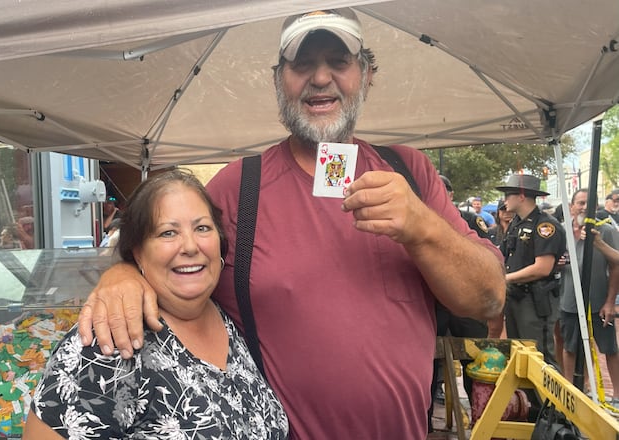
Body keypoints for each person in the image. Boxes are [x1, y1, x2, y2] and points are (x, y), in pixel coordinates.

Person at [77, 9, 506, 439]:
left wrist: (422, 228)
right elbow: (177, 263)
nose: (320, 78)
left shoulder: (410, 172)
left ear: (368, 73)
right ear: (279, 78)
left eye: (339, 61)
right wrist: (124, 275)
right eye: (302, 64)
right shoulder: (236, 189)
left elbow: (487, 300)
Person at [23, 169, 288, 439]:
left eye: (202, 228)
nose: (190, 246)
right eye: (167, 233)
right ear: (137, 253)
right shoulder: (107, 343)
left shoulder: (231, 315)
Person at [428, 175, 496, 430]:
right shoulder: (418, 222)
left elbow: (486, 254)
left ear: (452, 194)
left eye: (443, 191)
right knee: (429, 364)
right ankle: (425, 425)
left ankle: (483, 420)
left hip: (465, 305)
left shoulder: (467, 220)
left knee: (474, 361)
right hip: (433, 304)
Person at [497, 174, 566, 367]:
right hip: (515, 297)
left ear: (521, 196)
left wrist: (505, 278)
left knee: (540, 358)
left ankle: (546, 399)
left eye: (508, 195)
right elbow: (502, 255)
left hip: (535, 300)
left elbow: (542, 268)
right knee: (519, 357)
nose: (505, 200)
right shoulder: (515, 223)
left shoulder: (545, 225)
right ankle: (527, 398)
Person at [560, 189, 619, 402]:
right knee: (570, 347)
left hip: (598, 300)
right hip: (569, 300)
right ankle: (572, 392)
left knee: (609, 348)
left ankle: (617, 396)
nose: (584, 207)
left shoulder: (607, 230)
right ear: (572, 206)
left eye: (589, 203)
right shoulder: (563, 229)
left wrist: (610, 301)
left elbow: (616, 265)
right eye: (580, 203)